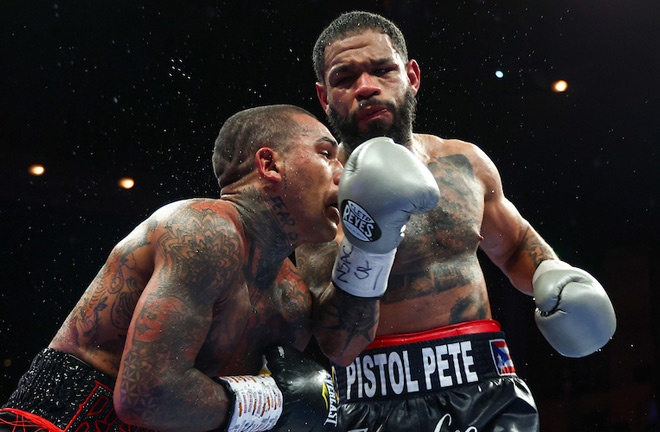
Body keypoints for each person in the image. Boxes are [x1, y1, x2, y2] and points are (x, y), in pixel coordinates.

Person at [297, 11, 617, 431]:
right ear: (324, 97)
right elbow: (337, 343)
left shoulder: (464, 163)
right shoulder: (316, 195)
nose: (366, 87)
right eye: (345, 78)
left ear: (411, 76)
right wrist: (368, 243)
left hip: (486, 388)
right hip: (375, 400)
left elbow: (517, 244)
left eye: (382, 69)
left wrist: (552, 274)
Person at [0, 104, 343, 432]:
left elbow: (225, 414)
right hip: (57, 422)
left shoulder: (292, 299)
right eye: (326, 154)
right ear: (270, 165)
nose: (343, 175)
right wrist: (270, 402)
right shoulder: (203, 229)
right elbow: (144, 397)